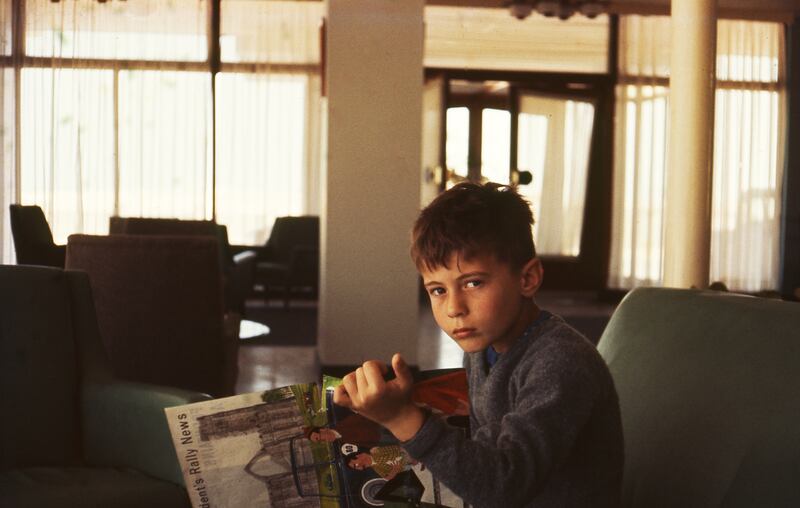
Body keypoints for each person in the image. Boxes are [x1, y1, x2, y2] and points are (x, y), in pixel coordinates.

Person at [333, 182, 624, 507]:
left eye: (473, 283)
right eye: (437, 290)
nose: (454, 308)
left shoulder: (560, 363)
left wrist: (401, 418)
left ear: (527, 279)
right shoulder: (481, 348)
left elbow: (503, 487)